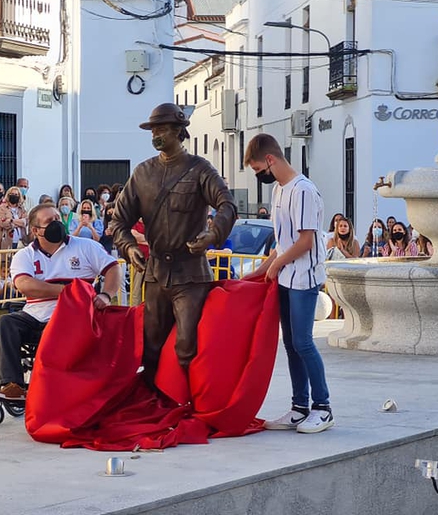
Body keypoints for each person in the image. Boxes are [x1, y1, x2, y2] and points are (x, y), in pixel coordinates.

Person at [111, 103, 237, 383]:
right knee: (151, 347)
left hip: (190, 274)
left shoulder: (200, 169)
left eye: (162, 129)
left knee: (186, 346)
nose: (156, 134)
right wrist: (129, 247)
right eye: (153, 129)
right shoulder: (142, 173)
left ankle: (190, 401)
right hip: (155, 273)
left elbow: (227, 205)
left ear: (179, 132)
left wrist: (213, 235)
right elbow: (118, 221)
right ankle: (157, 401)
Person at [243, 132, 333, 434]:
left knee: (304, 342)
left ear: (270, 160)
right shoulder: (280, 191)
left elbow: (306, 241)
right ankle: (299, 406)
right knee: (292, 344)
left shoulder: (304, 190)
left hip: (304, 277)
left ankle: (323, 406)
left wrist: (277, 263)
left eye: (258, 170)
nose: (259, 175)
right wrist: (257, 272)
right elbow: (281, 244)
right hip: (285, 277)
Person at [0, 204, 122, 402]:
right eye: (49, 222)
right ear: (35, 230)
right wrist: (66, 291)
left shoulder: (85, 246)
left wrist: (105, 295)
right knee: (6, 323)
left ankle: (48, 385)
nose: (57, 224)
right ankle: (12, 385)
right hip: (35, 314)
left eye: (57, 219)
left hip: (72, 317)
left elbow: (112, 269)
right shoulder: (25, 255)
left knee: (56, 330)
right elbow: (24, 284)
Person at [0, 186, 27, 250]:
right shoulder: (2, 207)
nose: (14, 196)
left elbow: (25, 222)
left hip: (21, 241)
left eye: (16, 194)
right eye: (12, 194)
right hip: (7, 240)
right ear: (8, 195)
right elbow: (2, 223)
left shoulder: (22, 208)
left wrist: (11, 220)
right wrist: (18, 222)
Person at [206, 213, 234, 280]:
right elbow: (205, 256)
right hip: (210, 274)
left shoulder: (226, 241)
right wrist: (219, 254)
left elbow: (228, 252)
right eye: (208, 225)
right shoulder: (206, 242)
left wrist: (213, 252)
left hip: (225, 274)